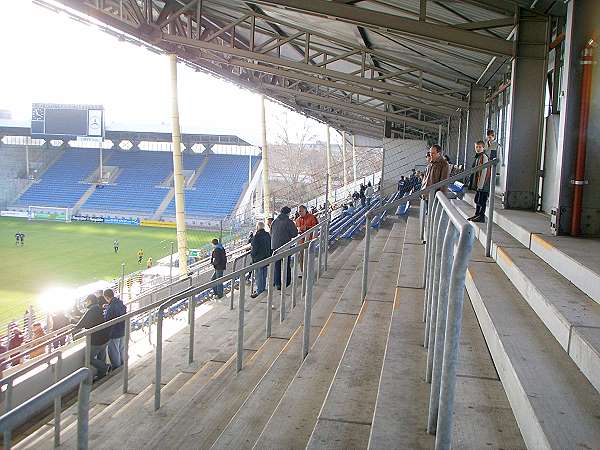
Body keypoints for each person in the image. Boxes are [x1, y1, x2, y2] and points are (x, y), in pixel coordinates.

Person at [73, 295, 110, 380]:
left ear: (90, 301)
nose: (85, 303)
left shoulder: (91, 310)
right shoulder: (100, 308)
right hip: (105, 338)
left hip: (96, 340)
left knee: (88, 358)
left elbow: (80, 325)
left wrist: (72, 320)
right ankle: (102, 374)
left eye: (86, 301)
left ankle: (105, 367)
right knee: (101, 356)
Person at [270, 206, 298, 289]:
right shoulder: (289, 222)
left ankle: (277, 283)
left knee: (277, 265)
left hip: (275, 246)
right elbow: (294, 234)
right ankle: (286, 282)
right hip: (285, 245)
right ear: (288, 213)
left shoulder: (274, 221)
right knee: (286, 264)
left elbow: (271, 233)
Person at [103, 289, 127, 369]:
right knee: (121, 350)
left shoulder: (111, 307)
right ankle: (122, 366)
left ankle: (117, 369)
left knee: (114, 352)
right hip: (122, 330)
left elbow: (107, 319)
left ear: (106, 297)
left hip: (114, 333)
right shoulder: (120, 303)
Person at [468, 140, 491, 223]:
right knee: (477, 199)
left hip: (484, 184)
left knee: (482, 200)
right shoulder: (477, 157)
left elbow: (484, 172)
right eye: (476, 147)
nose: (478, 148)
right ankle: (477, 214)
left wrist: (481, 185)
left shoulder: (484, 157)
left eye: (479, 147)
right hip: (479, 184)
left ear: (483, 148)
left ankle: (481, 216)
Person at [250, 222, 272, 298]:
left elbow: (254, 249)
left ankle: (259, 290)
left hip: (258, 259)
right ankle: (262, 288)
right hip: (266, 257)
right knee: (263, 273)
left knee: (259, 275)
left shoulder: (256, 237)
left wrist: (252, 256)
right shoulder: (267, 235)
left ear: (257, 227)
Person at [295, 205, 318, 274]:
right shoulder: (297, 220)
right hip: (301, 241)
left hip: (310, 240)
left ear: (305, 210)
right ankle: (303, 271)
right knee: (301, 257)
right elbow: (296, 229)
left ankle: (309, 270)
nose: (300, 212)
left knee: (309, 256)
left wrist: (306, 228)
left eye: (301, 211)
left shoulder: (312, 217)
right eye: (299, 211)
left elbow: (316, 227)